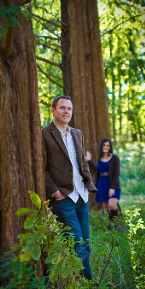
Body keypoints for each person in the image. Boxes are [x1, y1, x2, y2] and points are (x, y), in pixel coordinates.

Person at [42, 94, 97, 279]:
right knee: (77, 244)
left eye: (69, 109)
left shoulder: (77, 133)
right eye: (62, 108)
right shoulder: (44, 134)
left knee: (86, 243)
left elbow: (82, 162)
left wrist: (88, 183)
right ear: (53, 110)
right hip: (64, 198)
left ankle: (78, 284)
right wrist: (55, 192)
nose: (66, 111)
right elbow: (41, 168)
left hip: (82, 195)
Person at [88, 138, 122, 221]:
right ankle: (110, 227)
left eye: (108, 145)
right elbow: (97, 171)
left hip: (112, 185)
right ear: (101, 147)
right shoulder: (100, 159)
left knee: (112, 205)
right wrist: (88, 161)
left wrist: (113, 188)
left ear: (110, 147)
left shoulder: (114, 158)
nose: (106, 147)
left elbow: (117, 173)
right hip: (102, 185)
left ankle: (115, 223)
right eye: (104, 145)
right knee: (105, 208)